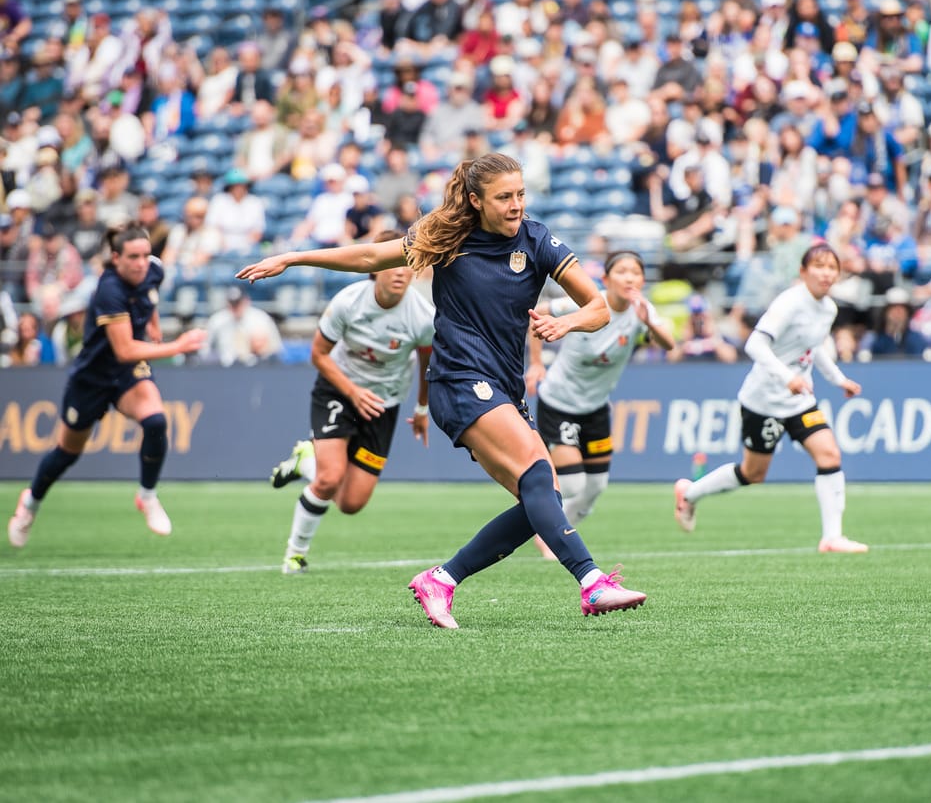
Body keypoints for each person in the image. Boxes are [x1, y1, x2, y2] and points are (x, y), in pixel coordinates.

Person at [236, 153, 646, 627]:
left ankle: (442, 580)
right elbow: (370, 256)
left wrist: (568, 321)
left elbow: (597, 306)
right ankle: (592, 582)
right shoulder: (447, 235)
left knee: (541, 496)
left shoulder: (537, 240)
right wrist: (292, 257)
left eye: (520, 195)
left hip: (505, 386)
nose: (516, 206)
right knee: (538, 474)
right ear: (475, 200)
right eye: (503, 198)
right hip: (457, 379)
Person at [9, 226, 207, 548]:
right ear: (116, 259)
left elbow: (150, 296)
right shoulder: (109, 290)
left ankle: (147, 495)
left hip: (128, 374)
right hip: (93, 377)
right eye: (133, 257)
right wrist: (178, 346)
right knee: (66, 453)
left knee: (156, 421)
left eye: (145, 255)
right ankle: (30, 504)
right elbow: (125, 349)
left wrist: (153, 323)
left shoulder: (153, 269)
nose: (142, 263)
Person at [672, 244, 867, 553]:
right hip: (764, 400)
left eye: (832, 267)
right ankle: (690, 493)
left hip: (799, 400)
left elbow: (813, 347)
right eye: (819, 266)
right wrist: (786, 376)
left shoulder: (828, 308)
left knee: (829, 454)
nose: (826, 273)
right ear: (803, 272)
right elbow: (755, 345)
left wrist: (839, 379)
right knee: (753, 473)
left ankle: (832, 537)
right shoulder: (789, 303)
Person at [268, 230, 435, 574]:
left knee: (351, 503)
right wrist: (353, 391)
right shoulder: (348, 302)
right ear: (376, 269)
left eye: (408, 264)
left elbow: (426, 362)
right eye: (394, 263)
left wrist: (421, 408)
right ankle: (295, 554)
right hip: (338, 391)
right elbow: (318, 355)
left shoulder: (422, 315)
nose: (402, 271)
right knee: (330, 479)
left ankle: (305, 462)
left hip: (384, 404)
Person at [524, 251, 675, 556]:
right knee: (573, 484)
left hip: (596, 409)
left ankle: (555, 526)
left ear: (643, 280)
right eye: (621, 271)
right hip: (559, 403)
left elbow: (669, 344)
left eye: (635, 272)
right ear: (605, 279)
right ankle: (550, 532)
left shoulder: (642, 311)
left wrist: (650, 324)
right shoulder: (588, 302)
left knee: (596, 488)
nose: (629, 277)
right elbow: (536, 314)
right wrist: (537, 364)